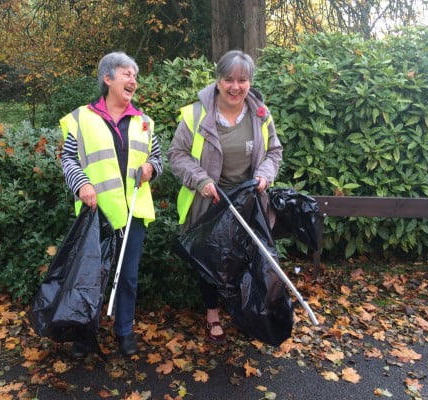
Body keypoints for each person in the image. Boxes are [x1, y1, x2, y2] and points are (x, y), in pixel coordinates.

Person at [167, 50, 282, 345]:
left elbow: (274, 153)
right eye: (228, 79)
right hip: (209, 203)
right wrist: (201, 180)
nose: (235, 86)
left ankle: (241, 312)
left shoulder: (260, 114)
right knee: (211, 262)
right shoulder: (196, 115)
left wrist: (265, 175)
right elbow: (176, 155)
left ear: (249, 82)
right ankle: (212, 314)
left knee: (245, 261)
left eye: (242, 80)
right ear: (217, 80)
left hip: (248, 203)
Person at [59, 51, 163, 356]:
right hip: (96, 215)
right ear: (108, 79)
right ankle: (83, 336)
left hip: (133, 214)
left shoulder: (143, 122)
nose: (133, 80)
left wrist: (151, 168)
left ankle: (124, 332)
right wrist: (82, 184)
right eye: (126, 74)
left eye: (135, 75)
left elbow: (157, 158)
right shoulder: (81, 118)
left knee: (127, 278)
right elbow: (68, 158)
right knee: (89, 278)